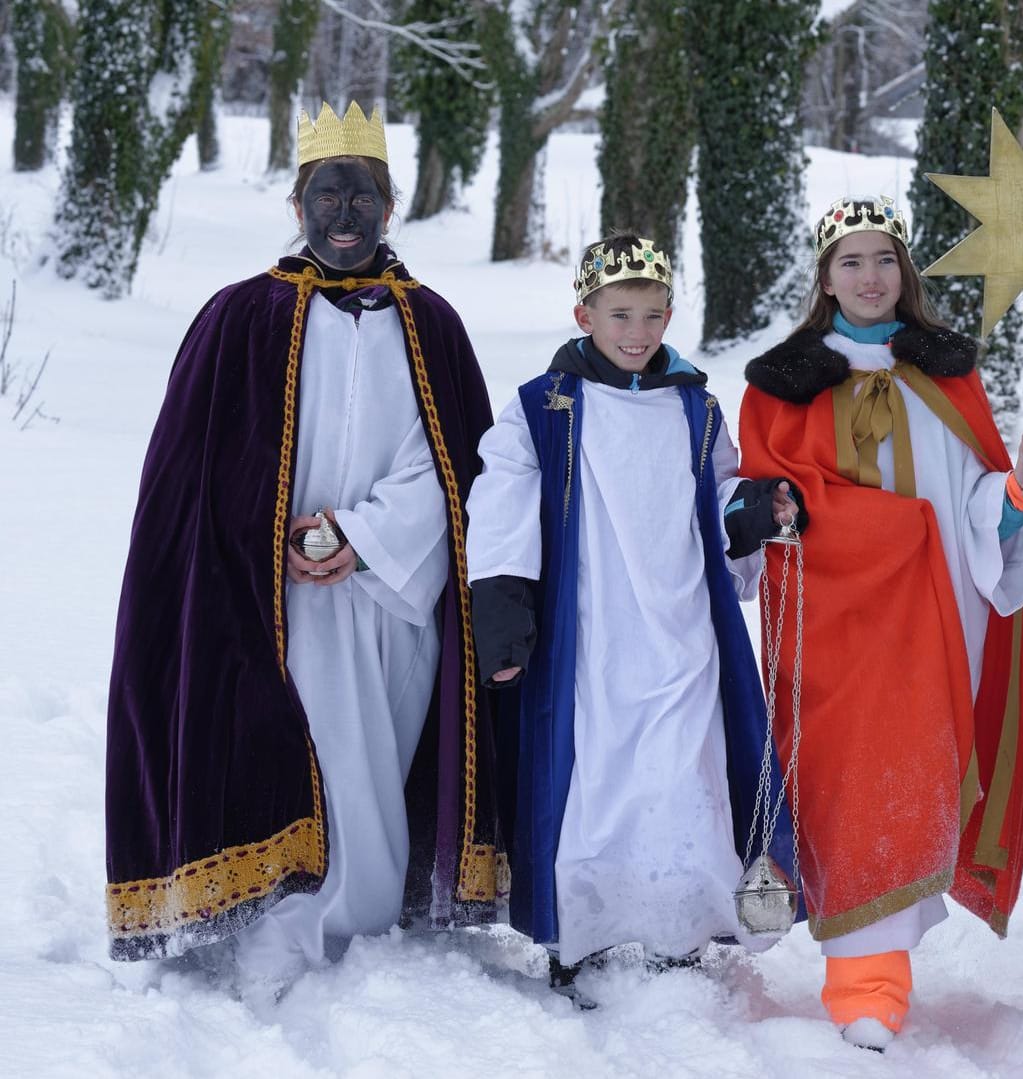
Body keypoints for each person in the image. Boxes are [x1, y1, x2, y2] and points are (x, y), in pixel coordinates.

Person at [103, 103, 504, 990]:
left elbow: (454, 473)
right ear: (298, 205)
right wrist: (266, 535)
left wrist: (359, 538)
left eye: (362, 195)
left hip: (393, 596)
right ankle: (298, 919)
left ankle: (365, 914)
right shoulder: (238, 318)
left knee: (376, 761)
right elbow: (192, 476)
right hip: (275, 605)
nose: (345, 213)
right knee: (299, 751)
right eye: (329, 194)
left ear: (388, 208)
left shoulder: (430, 323)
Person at [737, 196, 1023, 1050]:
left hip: (944, 621)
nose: (870, 277)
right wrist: (851, 529)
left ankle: (881, 980)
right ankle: (864, 984)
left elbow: (972, 496)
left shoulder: (949, 374)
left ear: (905, 273)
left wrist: (1015, 502)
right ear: (824, 276)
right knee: (852, 791)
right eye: (851, 261)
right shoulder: (780, 382)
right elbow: (761, 508)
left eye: (885, 260)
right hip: (838, 629)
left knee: (915, 777)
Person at [465, 234, 804, 1008]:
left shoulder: (696, 405)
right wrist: (506, 606)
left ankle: (677, 929)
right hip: (592, 633)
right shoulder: (542, 407)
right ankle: (581, 933)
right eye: (619, 314)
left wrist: (753, 507)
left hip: (682, 623)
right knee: (599, 782)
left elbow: (718, 494)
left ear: (669, 315)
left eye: (652, 315)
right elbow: (503, 503)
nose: (637, 332)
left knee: (682, 773)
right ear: (583, 313)